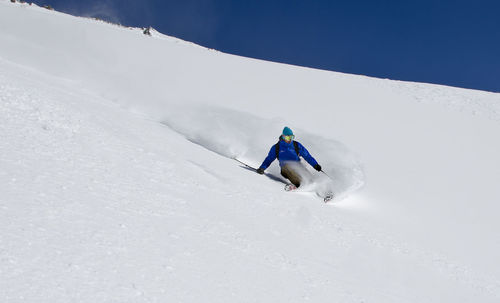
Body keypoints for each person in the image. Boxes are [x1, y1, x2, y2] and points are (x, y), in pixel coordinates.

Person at [256, 127, 322, 188]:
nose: (290, 140)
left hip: (298, 167)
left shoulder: (296, 145)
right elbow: (269, 159)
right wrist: (262, 168)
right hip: (285, 169)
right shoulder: (277, 147)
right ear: (283, 137)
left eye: (292, 137)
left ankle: (322, 190)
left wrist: (315, 165)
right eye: (288, 138)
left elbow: (307, 156)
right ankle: (301, 185)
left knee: (310, 179)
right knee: (287, 167)